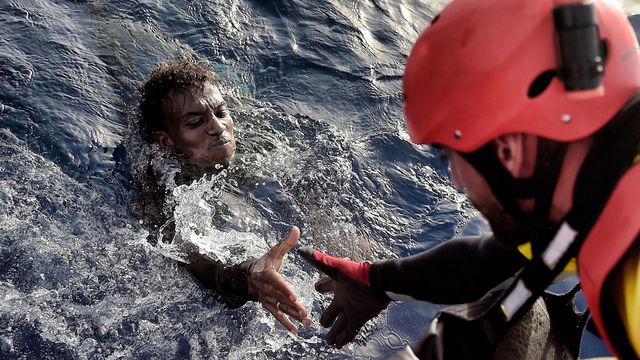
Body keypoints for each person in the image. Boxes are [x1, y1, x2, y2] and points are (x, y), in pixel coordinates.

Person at [301, 0, 640, 358]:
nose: (457, 181)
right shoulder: (596, 193)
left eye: (452, 156)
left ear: (510, 152)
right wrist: (374, 282)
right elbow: (485, 265)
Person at [136, 58, 311, 334]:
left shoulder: (259, 143)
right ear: (167, 142)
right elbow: (183, 252)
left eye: (221, 112)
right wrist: (245, 277)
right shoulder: (163, 182)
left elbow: (308, 183)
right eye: (196, 122)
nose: (218, 127)